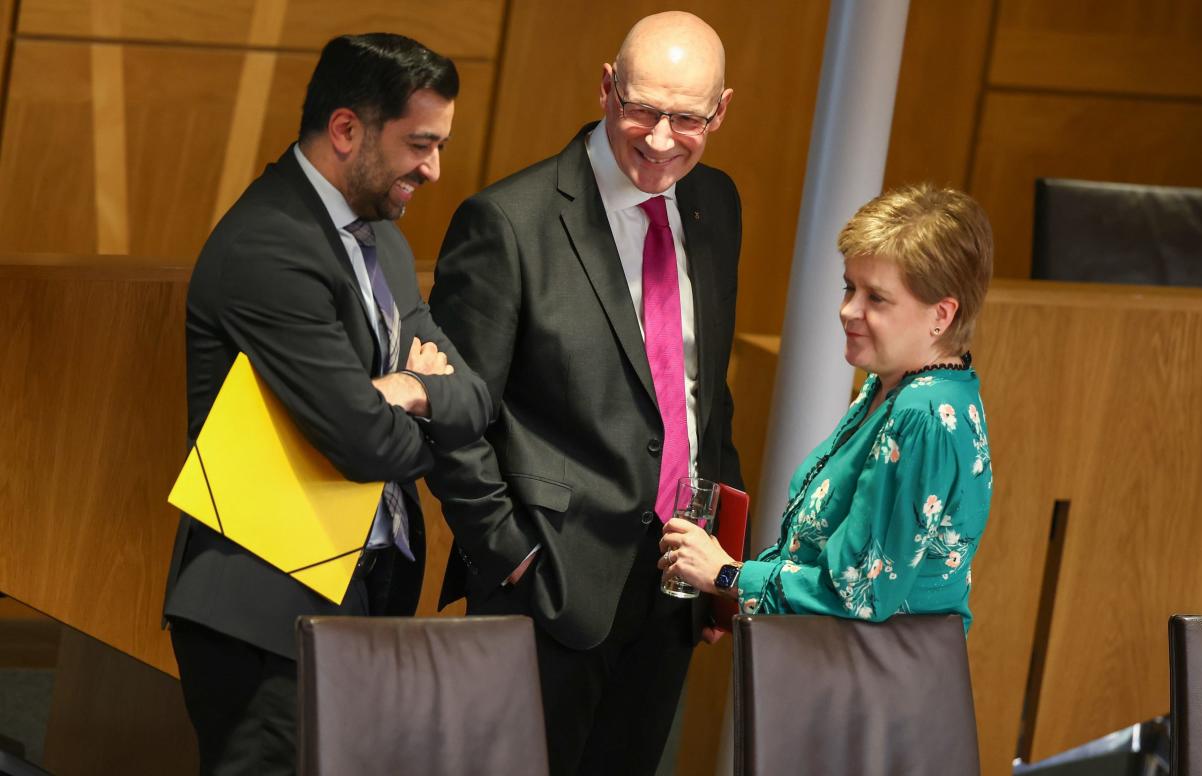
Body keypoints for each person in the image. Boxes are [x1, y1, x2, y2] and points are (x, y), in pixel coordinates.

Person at [162, 33, 491, 774]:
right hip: (266, 612)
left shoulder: (384, 244)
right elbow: (366, 445)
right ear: (347, 129)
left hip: (359, 594)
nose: (434, 169)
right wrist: (415, 416)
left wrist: (411, 391)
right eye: (419, 144)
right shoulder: (269, 245)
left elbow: (473, 395)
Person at [425, 11, 743, 776]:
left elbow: (704, 394)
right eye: (642, 109)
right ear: (606, 89)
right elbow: (452, 419)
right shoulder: (507, 222)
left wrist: (720, 560)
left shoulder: (717, 204)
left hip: (673, 584)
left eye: (687, 118)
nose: (662, 139)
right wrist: (510, 558)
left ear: (720, 111)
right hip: (546, 588)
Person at [661, 183, 994, 632]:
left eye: (875, 298)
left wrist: (727, 576)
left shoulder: (924, 413)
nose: (847, 310)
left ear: (942, 314)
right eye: (849, 288)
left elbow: (858, 592)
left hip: (866, 690)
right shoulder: (893, 385)